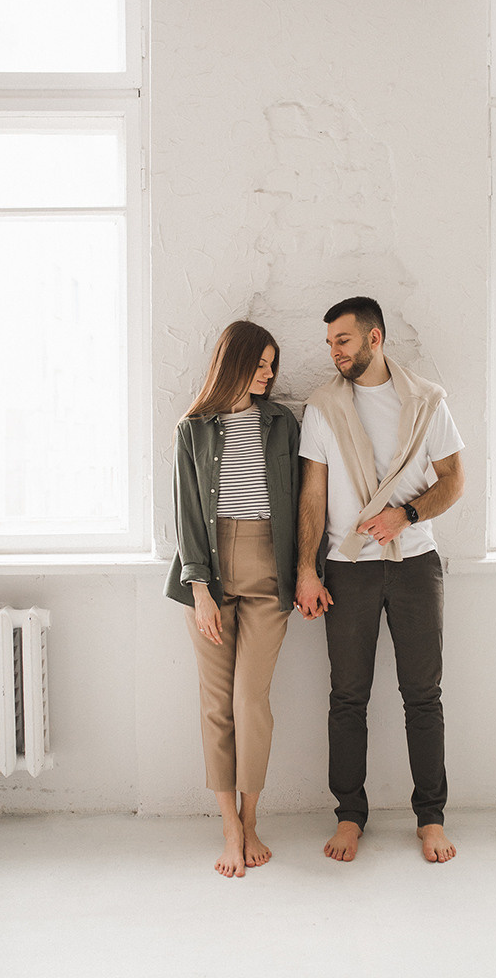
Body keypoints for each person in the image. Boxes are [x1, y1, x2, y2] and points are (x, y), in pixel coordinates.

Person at [295, 297, 464, 864]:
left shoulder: (426, 401)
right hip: (349, 568)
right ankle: (349, 816)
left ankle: (431, 819)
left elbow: (453, 481)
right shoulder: (321, 406)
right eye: (329, 343)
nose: (334, 352)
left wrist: (405, 515)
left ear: (374, 338)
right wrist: (306, 570)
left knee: (423, 695)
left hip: (416, 563)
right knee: (347, 696)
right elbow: (312, 495)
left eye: (342, 340)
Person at [164, 320, 299, 878]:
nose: (268, 373)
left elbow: (300, 500)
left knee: (250, 702)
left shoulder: (283, 422)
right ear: (233, 362)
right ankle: (228, 828)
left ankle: (251, 818)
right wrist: (200, 590)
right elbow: (187, 516)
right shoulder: (193, 429)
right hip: (209, 577)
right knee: (217, 705)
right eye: (260, 363)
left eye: (272, 364)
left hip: (269, 574)